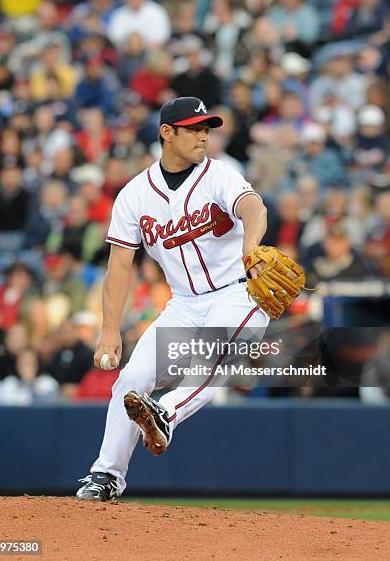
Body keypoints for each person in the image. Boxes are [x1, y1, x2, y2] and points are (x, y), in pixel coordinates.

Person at [76, 96, 269, 501]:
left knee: (216, 350)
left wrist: (251, 246)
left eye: (206, 128)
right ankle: (106, 476)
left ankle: (168, 412)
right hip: (183, 303)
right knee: (131, 379)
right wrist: (109, 329)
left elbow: (253, 207)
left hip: (239, 291)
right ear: (168, 133)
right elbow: (119, 267)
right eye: (194, 128)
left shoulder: (220, 176)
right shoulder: (133, 195)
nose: (203, 136)